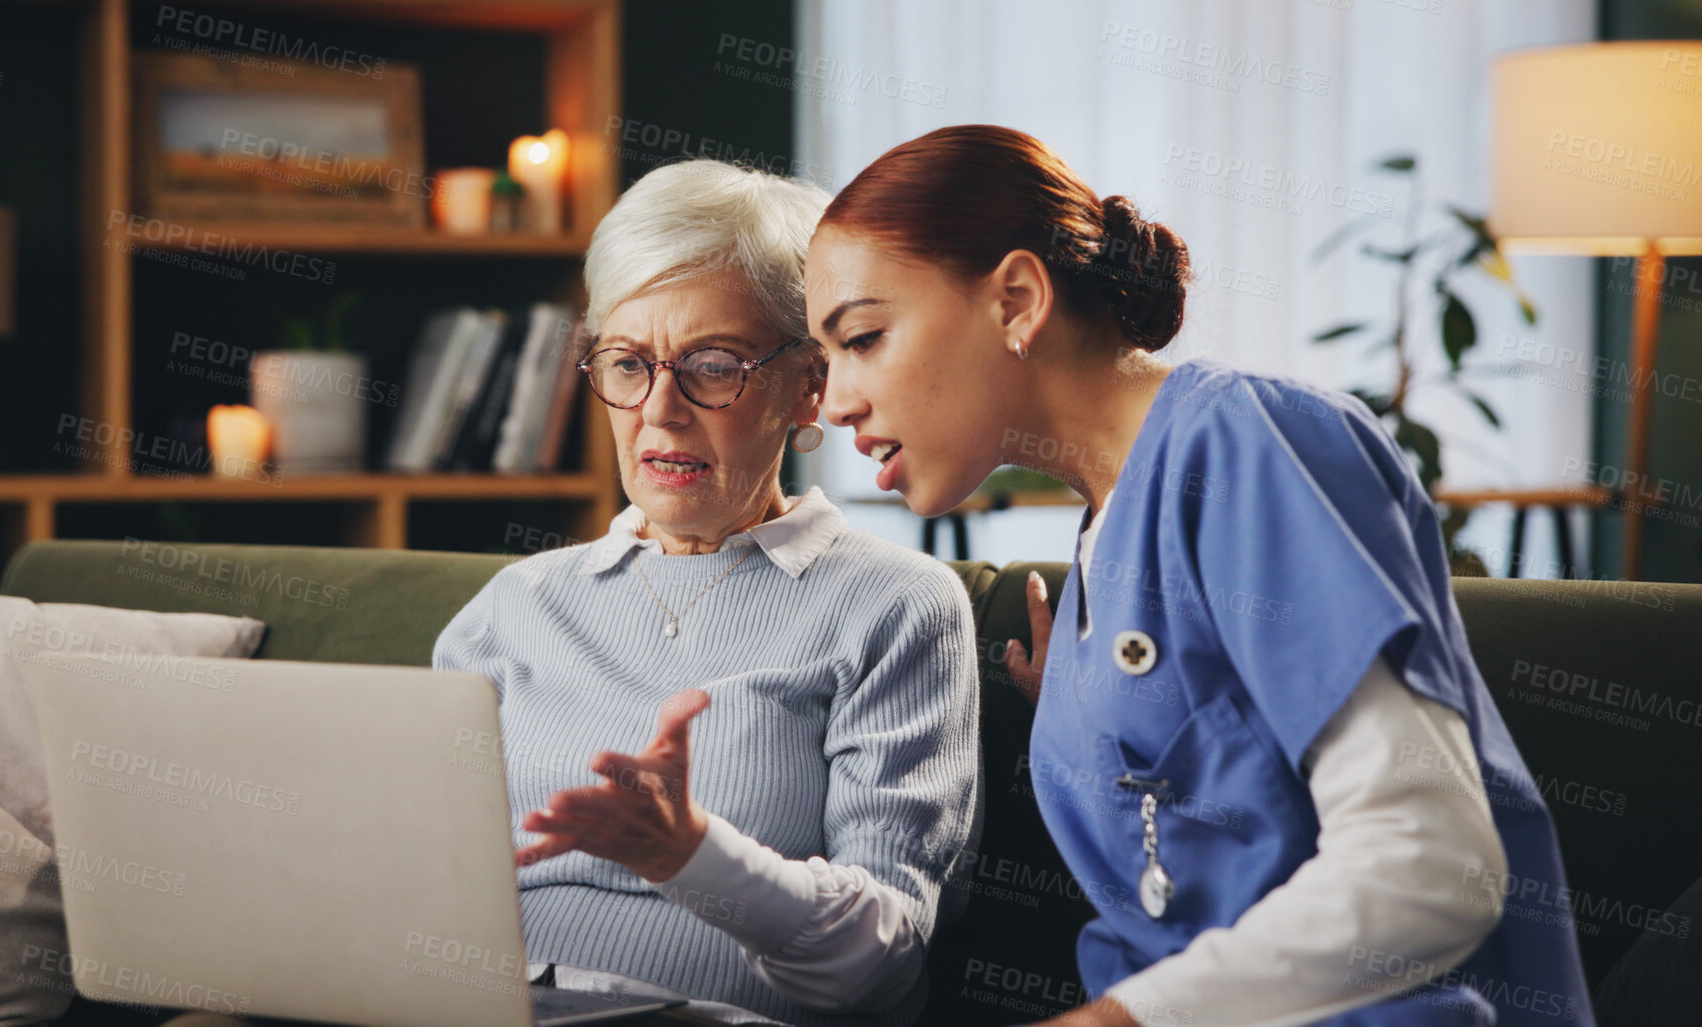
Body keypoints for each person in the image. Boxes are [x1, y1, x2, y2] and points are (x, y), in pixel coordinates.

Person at [802, 124, 1593, 1026]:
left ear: (1017, 299)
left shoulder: (1245, 441)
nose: (833, 402)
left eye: (861, 337)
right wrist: (1090, 714)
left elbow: (1434, 868)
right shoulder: (1104, 542)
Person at [431, 158, 982, 1027]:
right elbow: (413, 879)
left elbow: (882, 965)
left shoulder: (894, 604)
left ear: (809, 383)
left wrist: (690, 853)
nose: (659, 409)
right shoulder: (511, 607)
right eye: (626, 362)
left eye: (712, 365)